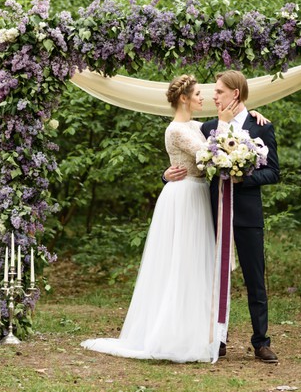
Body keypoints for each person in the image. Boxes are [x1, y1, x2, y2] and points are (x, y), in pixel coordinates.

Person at [81, 74, 239, 363]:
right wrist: (225, 123)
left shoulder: (195, 125)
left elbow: (219, 138)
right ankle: (172, 332)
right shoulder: (176, 130)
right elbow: (208, 154)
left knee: (196, 263)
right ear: (183, 98)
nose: (202, 98)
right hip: (183, 197)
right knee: (179, 262)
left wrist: (248, 115)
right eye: (197, 94)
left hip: (198, 195)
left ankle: (196, 331)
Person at [164, 70, 280, 363]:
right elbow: (185, 154)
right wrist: (165, 176)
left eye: (218, 92)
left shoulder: (260, 126)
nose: (213, 96)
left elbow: (274, 172)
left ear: (235, 95)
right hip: (212, 211)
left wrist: (245, 178)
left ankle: (261, 342)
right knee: (214, 279)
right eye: (212, 92)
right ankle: (218, 339)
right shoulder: (209, 127)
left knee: (255, 278)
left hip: (247, 214)